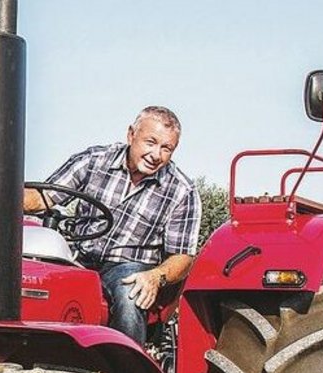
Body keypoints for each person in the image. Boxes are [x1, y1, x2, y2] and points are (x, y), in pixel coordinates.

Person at [23, 106, 201, 345]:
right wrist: (6, 190)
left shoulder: (181, 191)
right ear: (131, 135)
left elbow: (182, 258)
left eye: (166, 148)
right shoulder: (94, 161)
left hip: (128, 267)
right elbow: (43, 197)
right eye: (151, 142)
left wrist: (155, 276)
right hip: (77, 258)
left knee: (131, 294)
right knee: (30, 280)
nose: (156, 154)